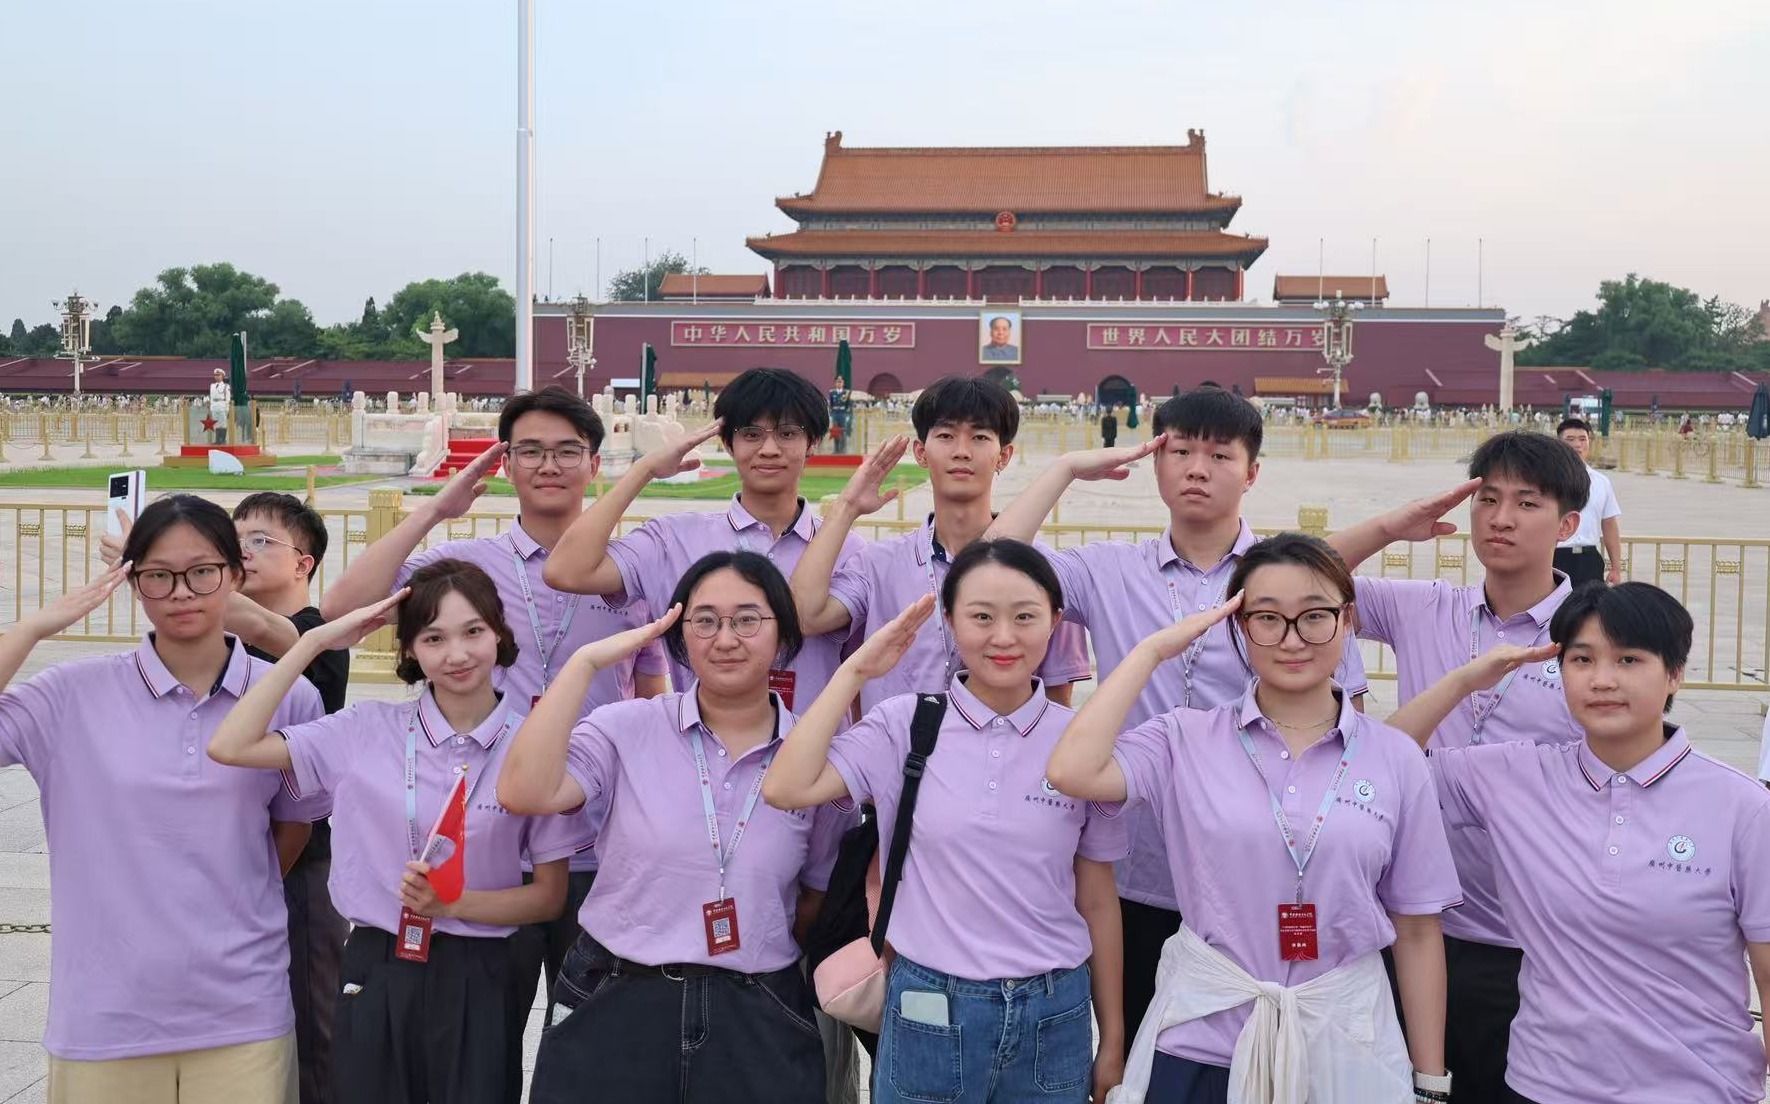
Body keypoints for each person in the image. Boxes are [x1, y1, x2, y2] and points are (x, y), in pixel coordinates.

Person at [986, 387, 1371, 1044]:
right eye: (1181, 451)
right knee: (1142, 1051)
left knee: (1259, 1058)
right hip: (1137, 866)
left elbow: (1348, 727)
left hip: (1262, 869)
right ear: (1156, 464)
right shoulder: (1110, 570)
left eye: (1220, 456)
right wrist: (1064, 471)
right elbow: (990, 566)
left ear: (1251, 472)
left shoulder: (1292, 582)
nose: (1197, 469)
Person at [1046, 533, 1459, 1103]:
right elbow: (1072, 770)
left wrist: (1431, 1083)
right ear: (1239, 626)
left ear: (1347, 620)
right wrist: (1153, 651)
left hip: (1343, 1046)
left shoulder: (1395, 758)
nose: (1292, 639)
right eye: (1267, 618)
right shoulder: (1185, 738)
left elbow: (1416, 929)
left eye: (1314, 616)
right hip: (1202, 1038)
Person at [317, 386, 670, 1035]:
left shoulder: (628, 575)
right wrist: (435, 510)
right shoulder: (469, 569)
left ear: (596, 464)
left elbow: (650, 696)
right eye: (530, 451)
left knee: (591, 1040)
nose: (549, 465)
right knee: (482, 1042)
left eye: (567, 451)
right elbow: (341, 608)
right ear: (506, 463)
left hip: (598, 844)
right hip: (491, 849)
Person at [765, 539, 1129, 1103]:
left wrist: (1112, 1037)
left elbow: (1098, 898)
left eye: (1025, 616)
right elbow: (785, 787)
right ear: (951, 621)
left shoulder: (1081, 745)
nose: (1003, 637)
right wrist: (857, 669)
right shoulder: (903, 725)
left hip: (1052, 1012)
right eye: (981, 617)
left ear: (1056, 622)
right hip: (929, 1006)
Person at [210, 560, 585, 1104]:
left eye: (473, 632)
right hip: (377, 962)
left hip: (480, 971)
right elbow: (231, 745)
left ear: (499, 635)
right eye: (434, 638)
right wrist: (312, 643)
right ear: (409, 649)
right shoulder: (366, 729)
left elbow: (549, 896)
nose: (456, 654)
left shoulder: (534, 748)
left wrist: (453, 904)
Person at [0, 494, 329, 1103]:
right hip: (104, 1014)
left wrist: (229, 889)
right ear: (133, 582)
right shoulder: (70, 695)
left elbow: (294, 828)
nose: (181, 592)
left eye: (202, 572)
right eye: (158, 575)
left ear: (235, 576)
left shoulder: (289, 698)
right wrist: (32, 627)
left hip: (243, 1012)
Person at [1386, 582, 1770, 1104]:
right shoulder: (1515, 777)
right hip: (1544, 1085)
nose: (1602, 680)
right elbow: (1381, 766)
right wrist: (1463, 681)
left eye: (1629, 660)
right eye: (1582, 659)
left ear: (1675, 673)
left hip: (1698, 1088)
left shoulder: (1742, 808)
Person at [498, 552, 850, 1104]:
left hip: (756, 1009)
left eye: (747, 619)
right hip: (617, 995)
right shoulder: (626, 728)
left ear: (783, 633)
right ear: (679, 636)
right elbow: (524, 791)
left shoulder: (815, 756)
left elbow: (816, 895)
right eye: (705, 620)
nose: (725, 639)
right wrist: (584, 665)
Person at [1326, 430, 1589, 1104]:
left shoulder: (1591, 638)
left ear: (1567, 525)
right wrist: (1392, 526)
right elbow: (1287, 574)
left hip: (1527, 940)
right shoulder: (1425, 608)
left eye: (1526, 503)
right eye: (1488, 499)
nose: (1501, 519)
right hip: (1408, 924)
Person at [545, 366, 862, 713]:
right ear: (728, 443)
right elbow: (565, 571)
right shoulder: (673, 540)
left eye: (787, 434)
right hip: (703, 745)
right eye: (751, 434)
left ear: (812, 442)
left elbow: (861, 672)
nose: (769, 449)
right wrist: (644, 470)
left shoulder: (849, 551)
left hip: (816, 744)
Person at [789, 375, 1091, 714]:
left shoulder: (1043, 570)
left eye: (979, 437)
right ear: (921, 452)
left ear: (1004, 455)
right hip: (895, 748)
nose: (961, 451)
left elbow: (1057, 700)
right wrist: (846, 508)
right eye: (946, 436)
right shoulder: (878, 564)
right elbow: (805, 616)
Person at [1553, 418, 1623, 587]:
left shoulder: (1601, 482)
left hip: (1589, 559)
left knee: (1591, 603)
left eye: (1582, 439)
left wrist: (1616, 567)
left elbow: (1609, 525)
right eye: (1570, 439)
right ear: (1559, 444)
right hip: (1554, 556)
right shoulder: (1546, 480)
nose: (1577, 445)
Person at [209, 368, 231, 444]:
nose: (217, 377)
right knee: (216, 423)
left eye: (219, 375)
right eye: (215, 375)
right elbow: (211, 397)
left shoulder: (226, 386)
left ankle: (223, 439)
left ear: (222, 376)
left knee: (223, 423)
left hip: (222, 404)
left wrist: (227, 409)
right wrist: (211, 407)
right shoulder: (212, 386)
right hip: (214, 405)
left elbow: (228, 398)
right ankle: (217, 440)